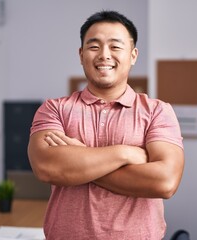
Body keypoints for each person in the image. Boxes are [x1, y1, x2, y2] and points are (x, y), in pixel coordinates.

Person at [28, 10, 185, 240]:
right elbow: (47, 168)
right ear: (81, 55)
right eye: (94, 47)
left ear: (133, 55)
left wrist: (78, 161)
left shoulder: (157, 112)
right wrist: (126, 153)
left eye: (115, 46)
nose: (104, 55)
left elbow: (165, 182)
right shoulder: (55, 110)